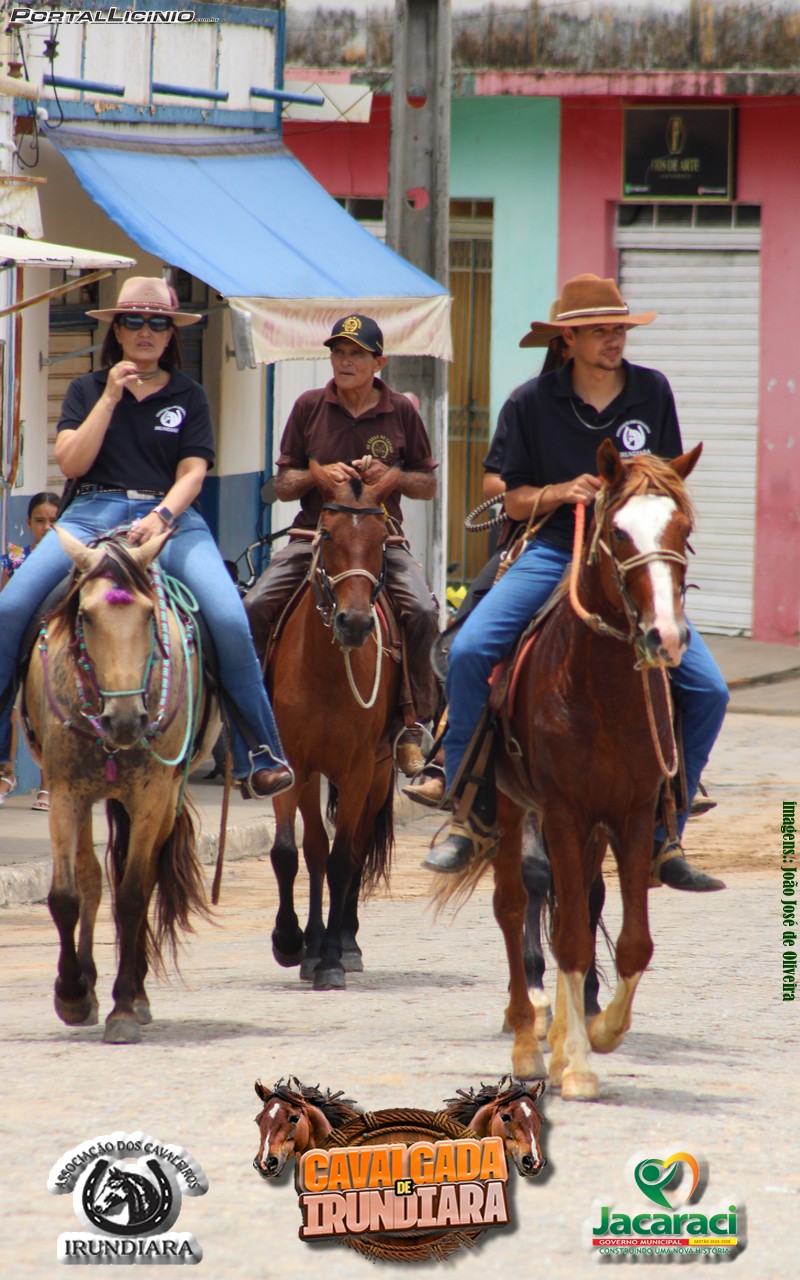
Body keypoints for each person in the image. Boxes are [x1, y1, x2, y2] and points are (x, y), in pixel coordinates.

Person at [423, 274, 728, 890]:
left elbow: (666, 479)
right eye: (600, 331)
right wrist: (561, 491)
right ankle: (468, 812)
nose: (614, 339)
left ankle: (666, 831)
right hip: (554, 548)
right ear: (569, 339)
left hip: (628, 557)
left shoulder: (652, 391)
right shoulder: (530, 402)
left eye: (620, 329)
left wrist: (636, 494)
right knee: (472, 649)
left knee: (711, 690)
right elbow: (506, 497)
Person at [0, 277, 293, 799]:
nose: (146, 331)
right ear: (116, 329)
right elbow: (72, 462)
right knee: (10, 608)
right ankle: (2, 752)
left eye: (158, 322)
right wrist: (111, 395)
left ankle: (260, 752)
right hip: (90, 513)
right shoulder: (86, 389)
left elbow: (194, 472)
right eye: (133, 320)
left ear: (171, 333)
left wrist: (161, 514)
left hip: (170, 517)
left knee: (229, 617)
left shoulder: (189, 395)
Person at [245, 313, 439, 777]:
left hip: (382, 541)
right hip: (314, 537)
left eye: (356, 354)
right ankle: (253, 724)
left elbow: (427, 485)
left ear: (379, 362)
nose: (345, 362)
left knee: (422, 611)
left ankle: (413, 726)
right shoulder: (309, 406)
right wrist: (318, 475)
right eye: (338, 352)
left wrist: (391, 476)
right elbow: (283, 485)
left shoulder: (401, 411)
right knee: (253, 606)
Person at [0, 491, 60, 808]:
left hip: (54, 647)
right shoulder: (14, 561)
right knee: (9, 706)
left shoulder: (70, 562)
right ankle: (6, 773)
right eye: (39, 521)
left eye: (53, 521)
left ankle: (48, 784)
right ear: (28, 523)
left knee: (50, 710)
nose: (46, 527)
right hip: (21, 642)